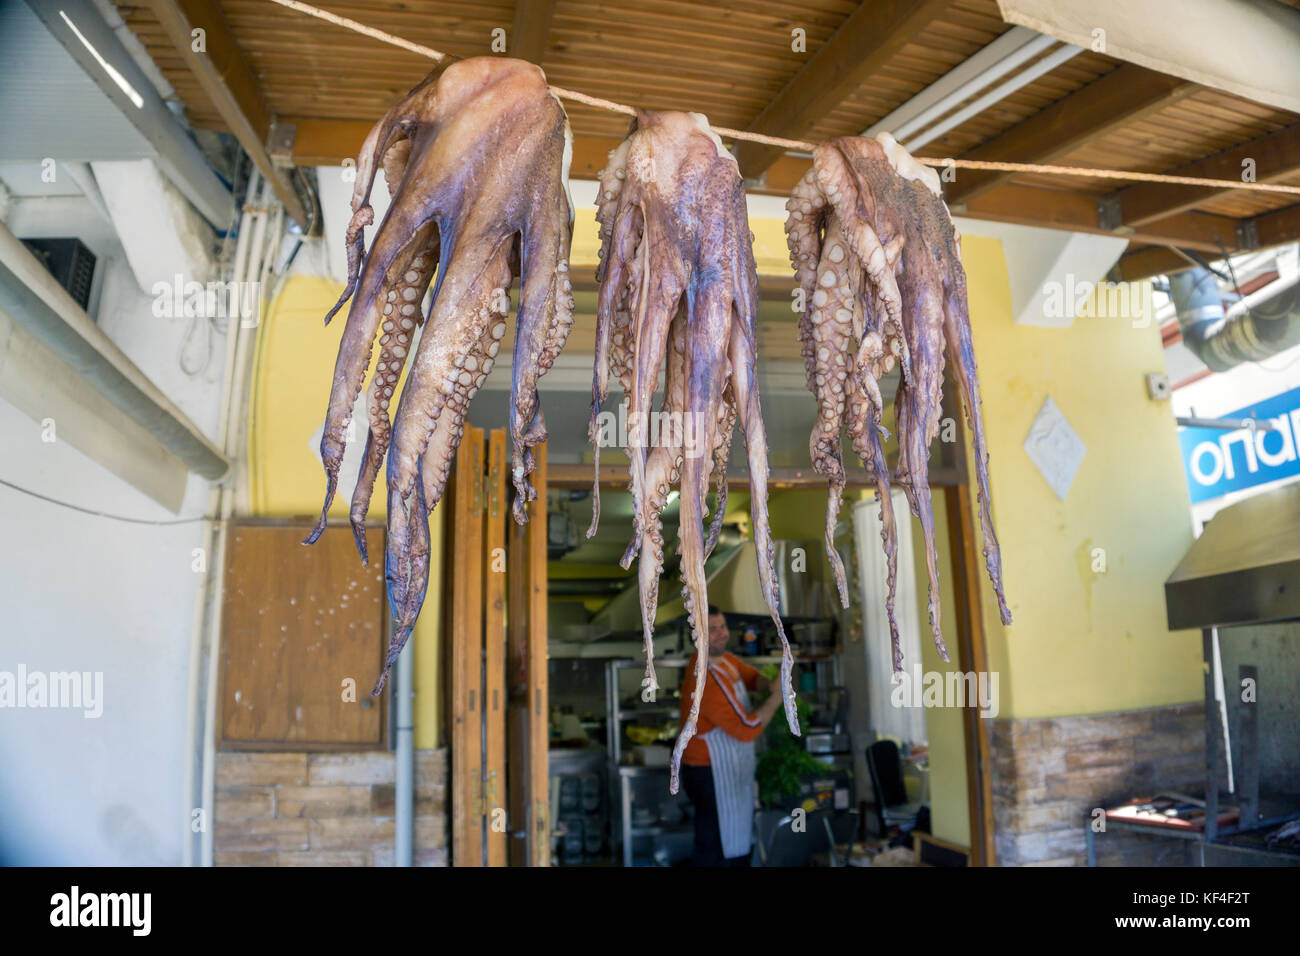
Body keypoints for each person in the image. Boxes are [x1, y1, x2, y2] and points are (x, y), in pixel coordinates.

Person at [678, 604, 785, 866]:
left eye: (723, 626)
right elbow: (745, 730)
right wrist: (776, 700)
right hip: (709, 772)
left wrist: (773, 682)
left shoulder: (725, 660)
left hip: (724, 769)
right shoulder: (705, 677)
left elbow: (751, 679)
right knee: (714, 850)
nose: (721, 633)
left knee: (732, 844)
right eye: (712, 629)